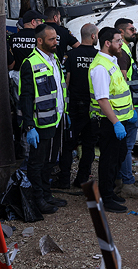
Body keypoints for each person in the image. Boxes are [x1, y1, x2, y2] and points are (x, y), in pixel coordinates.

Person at [19, 24, 68, 214]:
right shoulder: (29, 63)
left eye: (56, 38)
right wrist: (29, 125)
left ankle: (47, 194)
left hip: (57, 118)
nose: (56, 42)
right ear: (39, 41)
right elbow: (25, 96)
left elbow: (59, 89)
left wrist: (65, 112)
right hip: (41, 122)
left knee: (50, 160)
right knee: (37, 162)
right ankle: (37, 198)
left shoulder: (54, 59)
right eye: (51, 39)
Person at [88, 27, 135, 213]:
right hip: (109, 122)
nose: (121, 44)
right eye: (118, 41)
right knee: (108, 160)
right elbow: (102, 99)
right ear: (107, 43)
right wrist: (116, 122)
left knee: (118, 157)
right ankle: (106, 198)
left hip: (118, 121)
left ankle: (109, 192)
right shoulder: (100, 67)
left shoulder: (111, 61)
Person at [54, 23, 99, 189]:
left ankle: (64, 179)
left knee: (68, 144)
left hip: (75, 106)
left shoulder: (70, 55)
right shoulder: (99, 56)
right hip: (93, 107)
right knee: (89, 145)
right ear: (93, 36)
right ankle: (82, 179)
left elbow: (65, 82)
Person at [113, 18, 138, 199]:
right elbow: (123, 83)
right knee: (126, 147)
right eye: (131, 29)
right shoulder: (123, 53)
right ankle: (126, 182)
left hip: (129, 107)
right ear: (121, 31)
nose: (135, 31)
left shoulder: (126, 50)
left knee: (124, 148)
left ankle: (120, 180)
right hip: (128, 108)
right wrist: (133, 107)